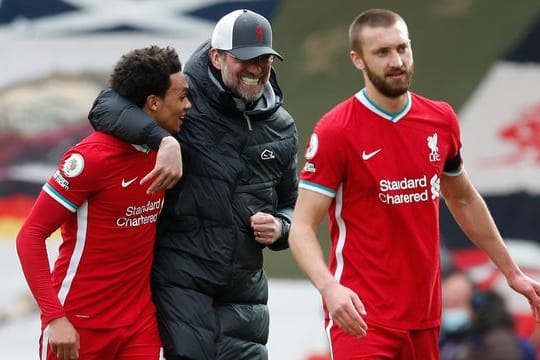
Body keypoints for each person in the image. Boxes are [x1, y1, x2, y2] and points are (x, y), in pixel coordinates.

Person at [288, 8, 540, 360]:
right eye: (382, 52)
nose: (397, 61)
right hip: (362, 319)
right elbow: (300, 227)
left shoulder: (440, 120)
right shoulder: (336, 130)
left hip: (424, 318)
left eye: (402, 48)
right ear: (357, 60)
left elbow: (463, 199)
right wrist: (330, 288)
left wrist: (512, 272)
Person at [87, 9, 298, 360]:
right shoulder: (182, 97)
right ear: (216, 57)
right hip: (179, 286)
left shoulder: (282, 126)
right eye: (243, 59)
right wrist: (164, 140)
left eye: (264, 59)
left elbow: (293, 204)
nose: (256, 69)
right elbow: (105, 107)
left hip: (246, 299)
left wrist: (280, 227)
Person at [16, 45, 191, 360]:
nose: (189, 106)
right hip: (78, 326)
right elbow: (30, 235)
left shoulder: (165, 151)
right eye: (181, 98)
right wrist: (55, 318)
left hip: (139, 325)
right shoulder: (90, 159)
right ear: (153, 103)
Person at [440, 271, 536, 360]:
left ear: (476, 304)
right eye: (445, 304)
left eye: (455, 303)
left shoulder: (499, 342)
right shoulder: (444, 339)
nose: (450, 310)